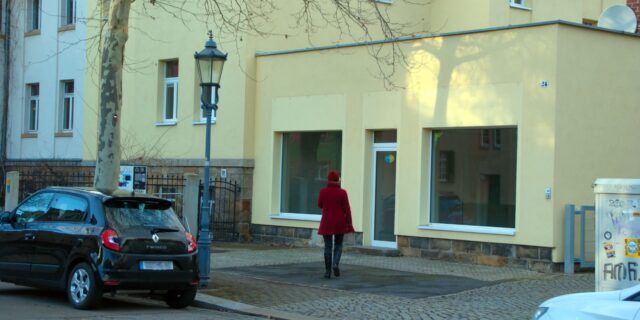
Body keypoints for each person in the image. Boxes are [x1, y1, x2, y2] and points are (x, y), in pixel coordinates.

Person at [317, 170, 354, 279]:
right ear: (338, 179)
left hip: (327, 222)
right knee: (338, 244)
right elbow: (347, 210)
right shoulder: (342, 192)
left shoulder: (322, 191)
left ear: (328, 179)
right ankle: (335, 264)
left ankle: (327, 272)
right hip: (339, 222)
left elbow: (319, 205)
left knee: (328, 246)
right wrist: (349, 224)